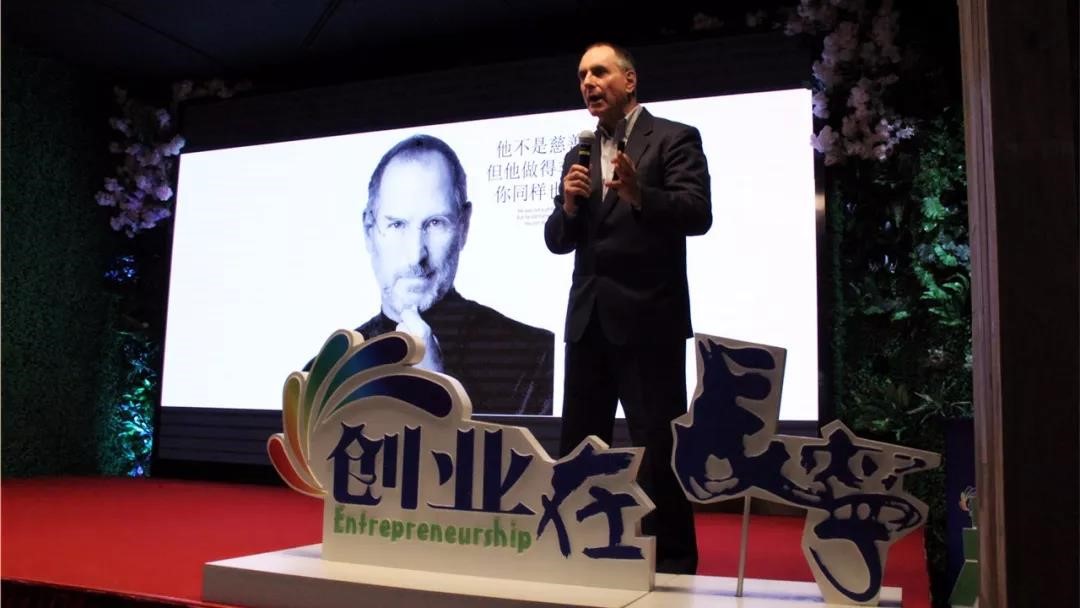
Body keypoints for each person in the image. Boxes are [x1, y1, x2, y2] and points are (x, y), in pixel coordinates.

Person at [544, 42, 712, 574]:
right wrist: (568, 205)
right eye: (581, 76)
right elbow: (557, 240)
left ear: (630, 80)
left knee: (658, 449)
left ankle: (673, 564)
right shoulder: (578, 153)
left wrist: (641, 194)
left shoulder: (674, 138)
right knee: (579, 448)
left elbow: (697, 213)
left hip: (648, 321)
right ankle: (576, 551)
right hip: (588, 321)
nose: (588, 83)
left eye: (599, 72)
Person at [354, 134, 554, 415]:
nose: (416, 255)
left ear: (464, 226)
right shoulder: (323, 375)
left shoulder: (536, 360)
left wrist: (439, 391)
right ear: (368, 230)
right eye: (397, 225)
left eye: (435, 223)